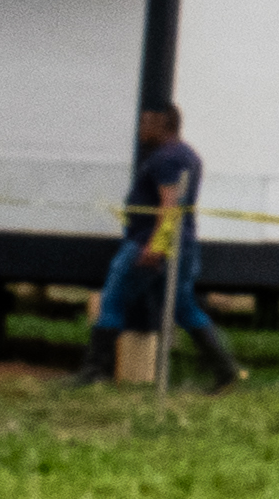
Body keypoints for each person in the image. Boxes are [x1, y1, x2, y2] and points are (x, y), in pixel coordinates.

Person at [71, 102, 233, 391]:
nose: (141, 128)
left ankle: (94, 370)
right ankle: (225, 369)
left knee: (113, 299)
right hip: (184, 244)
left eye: (147, 122)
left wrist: (156, 246)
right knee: (183, 306)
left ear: (163, 124)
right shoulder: (188, 155)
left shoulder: (166, 159)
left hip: (148, 242)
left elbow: (170, 204)